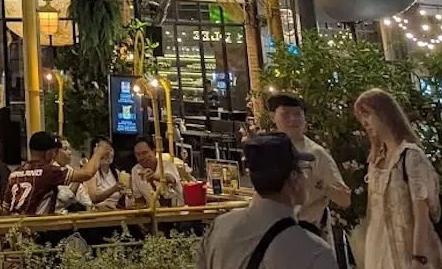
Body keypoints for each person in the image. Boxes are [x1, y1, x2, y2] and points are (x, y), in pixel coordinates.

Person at [196, 133, 336, 269]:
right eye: (303, 170)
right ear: (294, 179)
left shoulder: (220, 226)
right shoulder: (314, 251)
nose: (306, 177)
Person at [356, 88, 442, 269]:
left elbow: (421, 213)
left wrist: (418, 257)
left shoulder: (410, 155)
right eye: (362, 116)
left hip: (408, 249)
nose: (365, 122)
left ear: (384, 114)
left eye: (368, 114)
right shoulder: (376, 159)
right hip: (379, 248)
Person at [267, 92, 350, 235]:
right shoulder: (268, 150)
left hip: (310, 233)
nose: (292, 119)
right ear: (273, 117)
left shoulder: (316, 154)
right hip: (275, 233)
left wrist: (324, 186)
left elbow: (345, 199)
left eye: (297, 114)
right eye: (285, 114)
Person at [1, 131, 110, 216]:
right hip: (38, 231)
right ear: (48, 154)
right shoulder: (48, 171)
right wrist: (98, 153)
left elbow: (5, 208)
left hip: (15, 229)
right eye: (55, 152)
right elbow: (87, 173)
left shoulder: (14, 173)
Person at [128, 135, 185, 207]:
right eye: (138, 154)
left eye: (145, 153)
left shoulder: (168, 165)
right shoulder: (135, 171)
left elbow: (171, 179)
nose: (142, 157)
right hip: (153, 213)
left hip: (175, 211)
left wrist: (154, 176)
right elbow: (139, 198)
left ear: (154, 151)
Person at [77, 136, 125, 210]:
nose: (107, 153)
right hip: (98, 215)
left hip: (115, 213)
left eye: (110, 149)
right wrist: (114, 189)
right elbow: (93, 198)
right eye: (104, 150)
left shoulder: (116, 172)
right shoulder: (90, 172)